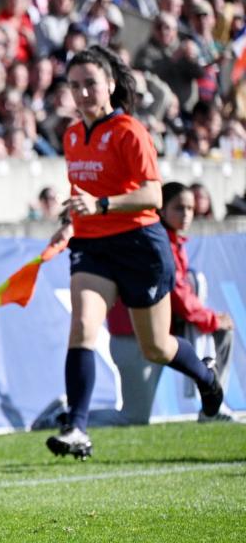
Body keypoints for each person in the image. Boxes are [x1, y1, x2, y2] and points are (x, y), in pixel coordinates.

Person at [45, 46, 223, 459]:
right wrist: (71, 220)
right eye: (74, 86)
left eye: (90, 83)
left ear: (109, 84)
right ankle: (77, 428)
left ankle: (206, 378)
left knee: (156, 347)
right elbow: (81, 191)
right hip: (93, 246)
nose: (83, 93)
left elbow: (153, 194)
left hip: (140, 245)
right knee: (83, 327)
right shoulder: (72, 134)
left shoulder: (128, 131)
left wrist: (103, 204)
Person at [104, 182, 238, 424]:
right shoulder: (157, 240)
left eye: (190, 208)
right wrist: (210, 318)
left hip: (162, 334)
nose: (187, 214)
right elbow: (177, 295)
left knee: (223, 332)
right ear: (161, 210)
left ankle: (212, 408)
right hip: (134, 335)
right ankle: (65, 416)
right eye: (179, 208)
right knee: (133, 418)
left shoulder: (172, 240)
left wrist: (212, 321)